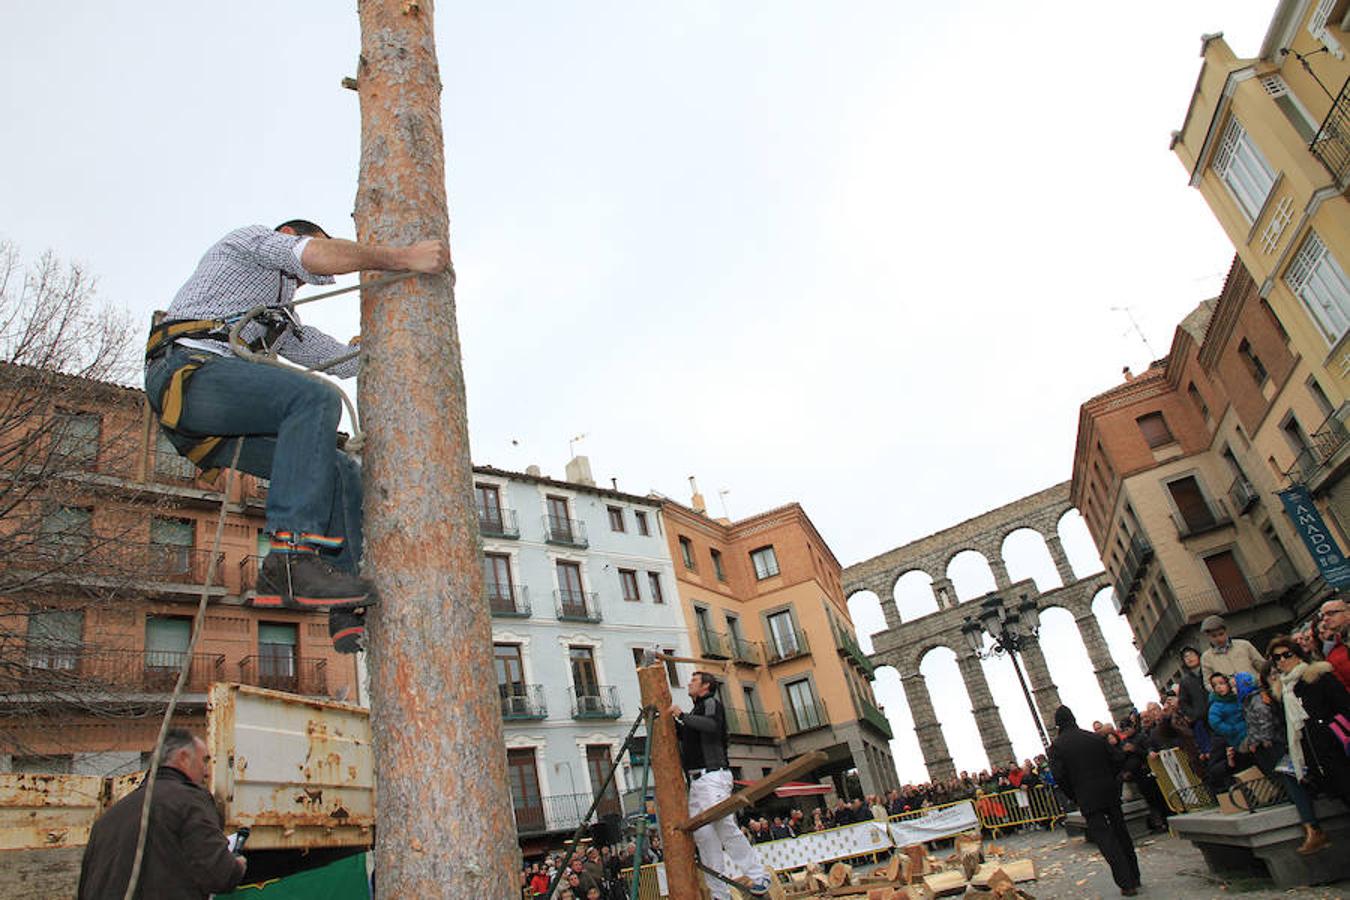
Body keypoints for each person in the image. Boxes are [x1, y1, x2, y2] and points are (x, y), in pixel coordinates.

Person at [145, 221, 452, 653]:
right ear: (291, 233)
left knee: (338, 467)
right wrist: (404, 259)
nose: (321, 274)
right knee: (314, 399)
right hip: (188, 373)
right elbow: (314, 256)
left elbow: (339, 360)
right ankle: (289, 556)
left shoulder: (280, 322)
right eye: (322, 248)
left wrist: (383, 346)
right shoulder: (250, 243)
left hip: (217, 424)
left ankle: (343, 604)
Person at [77, 729, 245, 899]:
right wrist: (237, 865)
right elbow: (220, 875)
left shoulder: (108, 818)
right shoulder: (190, 800)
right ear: (184, 757)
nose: (207, 772)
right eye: (204, 761)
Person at [669, 671, 772, 898]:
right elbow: (686, 735)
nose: (689, 683)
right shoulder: (697, 710)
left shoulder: (711, 704)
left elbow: (712, 726)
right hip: (698, 781)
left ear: (705, 686)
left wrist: (682, 716)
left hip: (713, 776)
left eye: (694, 680)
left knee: (724, 826)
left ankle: (758, 875)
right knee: (704, 836)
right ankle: (720, 894)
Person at [1049, 705, 1140, 897]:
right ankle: (1135, 876)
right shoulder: (1095, 737)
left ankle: (1126, 883)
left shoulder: (1057, 747)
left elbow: (1059, 776)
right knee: (1122, 833)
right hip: (1109, 792)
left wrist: (1074, 794)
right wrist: (1111, 780)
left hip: (1086, 797)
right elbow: (1117, 759)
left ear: (1057, 725)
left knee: (1106, 839)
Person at [1241, 662, 1329, 854]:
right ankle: (1312, 827)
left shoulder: (1289, 690)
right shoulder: (1266, 697)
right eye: (1270, 675)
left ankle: (1312, 826)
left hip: (1303, 741)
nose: (1275, 677)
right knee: (1291, 781)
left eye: (1277, 673)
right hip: (1283, 745)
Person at [1267, 634, 1350, 806]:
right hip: (1315, 757)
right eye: (1277, 658)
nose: (1282, 660)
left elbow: (1344, 705)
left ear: (1298, 655)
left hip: (1338, 746)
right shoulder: (1283, 692)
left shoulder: (1318, 677)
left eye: (1287, 654)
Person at [1199, 615, 1265, 684]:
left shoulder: (1244, 645)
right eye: (1214, 636)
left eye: (1221, 634)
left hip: (1256, 688)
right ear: (1208, 637)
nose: (1219, 639)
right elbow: (1208, 683)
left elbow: (1262, 666)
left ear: (1226, 632)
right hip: (1232, 693)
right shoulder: (1206, 658)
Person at [1319, 597, 1350, 690]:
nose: (1325, 619)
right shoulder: (1332, 654)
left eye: (1331, 613)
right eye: (1323, 616)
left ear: (1348, 613)